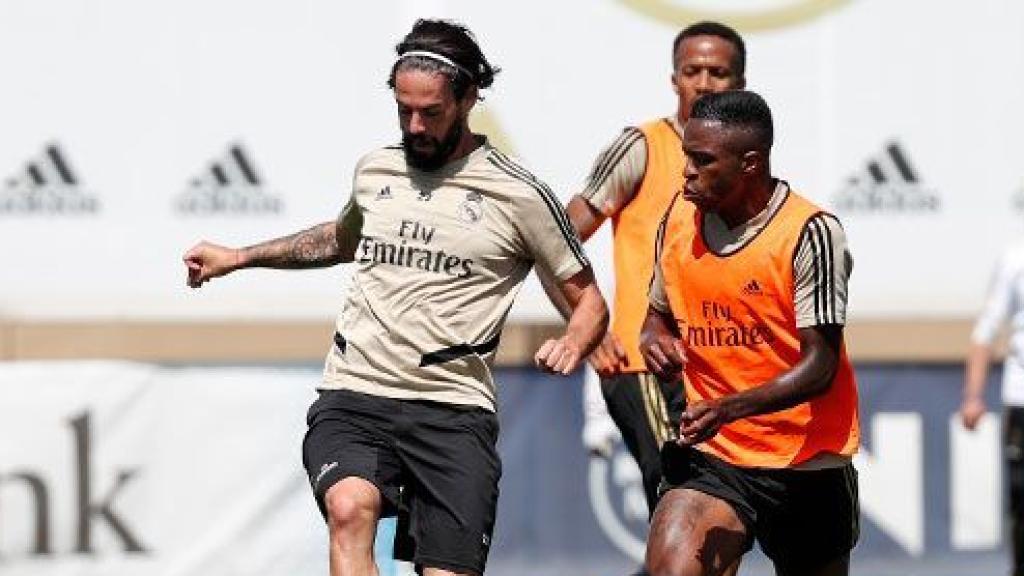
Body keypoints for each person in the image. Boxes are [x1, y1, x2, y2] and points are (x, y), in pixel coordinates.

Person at [182, 19, 608, 576]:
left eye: (430, 112)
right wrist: (239, 256)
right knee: (348, 508)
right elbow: (341, 239)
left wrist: (575, 342)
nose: (415, 124)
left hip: (453, 412)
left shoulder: (519, 194)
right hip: (356, 392)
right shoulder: (375, 170)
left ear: (469, 97)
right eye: (404, 109)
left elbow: (589, 300)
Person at [640, 90, 860, 576]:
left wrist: (728, 407)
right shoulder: (679, 217)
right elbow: (656, 317)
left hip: (806, 460)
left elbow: (820, 367)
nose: (687, 172)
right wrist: (653, 339)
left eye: (702, 160)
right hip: (715, 455)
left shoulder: (811, 232)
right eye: (685, 157)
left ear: (750, 164)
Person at [550, 20, 747, 513]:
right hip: (642, 361)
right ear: (674, 79)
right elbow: (555, 241)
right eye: (691, 71)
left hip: (715, 364)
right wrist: (587, 330)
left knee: (707, 511)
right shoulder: (642, 146)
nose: (703, 83)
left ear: (739, 84)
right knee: (681, 491)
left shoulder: (746, 163)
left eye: (717, 73)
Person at [961, 245, 1024, 576]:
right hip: (1021, 399)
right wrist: (973, 396)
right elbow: (986, 331)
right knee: (1021, 504)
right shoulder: (1015, 261)